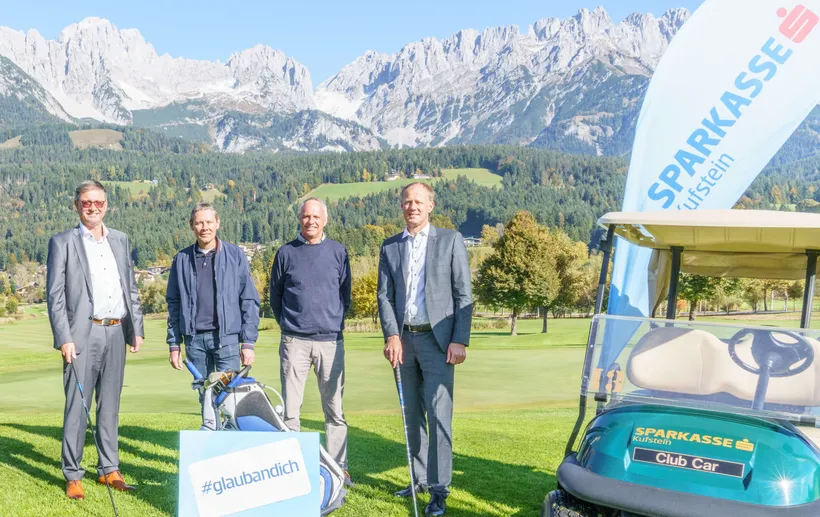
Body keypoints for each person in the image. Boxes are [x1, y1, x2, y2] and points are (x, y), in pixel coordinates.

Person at [378, 182, 472, 516]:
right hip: (403, 342)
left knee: (438, 415)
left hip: (439, 342)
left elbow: (463, 294)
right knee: (412, 415)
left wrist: (460, 339)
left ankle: (439, 490)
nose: (412, 206)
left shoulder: (451, 241)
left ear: (431, 205)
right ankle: (417, 479)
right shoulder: (390, 247)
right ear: (401, 206)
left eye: (419, 201)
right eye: (407, 202)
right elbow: (384, 297)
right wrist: (391, 335)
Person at [47, 180, 144, 500]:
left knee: (110, 406)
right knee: (77, 406)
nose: (93, 207)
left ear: (107, 205)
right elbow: (55, 296)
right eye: (86, 202)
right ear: (77, 205)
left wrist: (136, 329)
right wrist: (64, 338)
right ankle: (73, 474)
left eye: (98, 202)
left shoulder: (120, 239)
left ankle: (109, 469)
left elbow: (129, 287)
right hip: (80, 336)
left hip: (116, 330)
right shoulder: (62, 242)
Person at [269, 197, 353, 485]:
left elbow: (346, 295)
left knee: (335, 411)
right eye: (306, 216)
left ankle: (338, 470)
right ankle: (292, 470)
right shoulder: (285, 253)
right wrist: (292, 325)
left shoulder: (338, 252)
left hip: (331, 341)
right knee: (291, 411)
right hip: (295, 342)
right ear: (300, 219)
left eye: (316, 216)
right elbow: (275, 297)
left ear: (325, 220)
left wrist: (331, 323)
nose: (311, 221)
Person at [166, 203, 260, 404]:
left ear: (217, 223)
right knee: (205, 397)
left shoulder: (235, 255)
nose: (204, 227)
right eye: (199, 223)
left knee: (231, 398)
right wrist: (174, 344)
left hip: (226, 340)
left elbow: (249, 299)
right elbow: (173, 304)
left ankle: (230, 436)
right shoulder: (181, 259)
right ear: (192, 226)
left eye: (209, 222)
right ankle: (210, 432)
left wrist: (248, 342)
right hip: (194, 341)